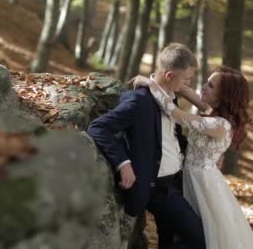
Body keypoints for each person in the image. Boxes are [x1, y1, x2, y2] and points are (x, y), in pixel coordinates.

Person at [86, 43, 205, 249]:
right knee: (201, 239)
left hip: (177, 182)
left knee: (168, 239)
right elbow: (98, 128)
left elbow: (172, 138)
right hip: (157, 189)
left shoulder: (171, 97)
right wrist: (124, 164)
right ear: (169, 76)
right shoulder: (138, 101)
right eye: (186, 79)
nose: (187, 84)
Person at [131, 66, 253, 248]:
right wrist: (165, 79)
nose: (204, 87)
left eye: (211, 86)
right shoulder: (212, 112)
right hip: (188, 176)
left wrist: (149, 83)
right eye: (207, 82)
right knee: (175, 231)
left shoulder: (219, 124)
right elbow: (187, 92)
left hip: (202, 183)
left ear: (224, 97)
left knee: (204, 238)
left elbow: (176, 115)